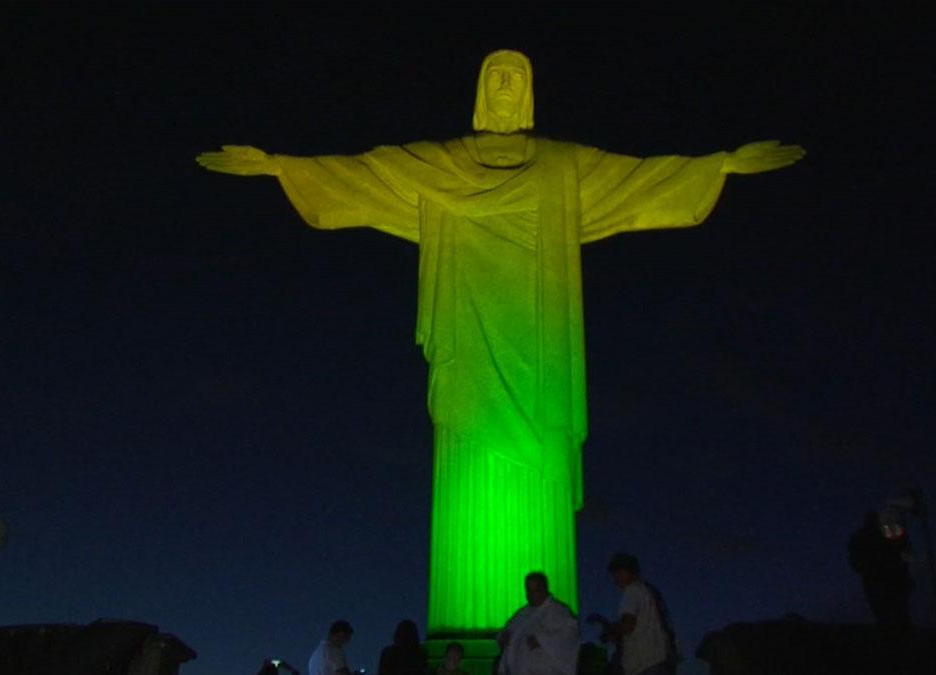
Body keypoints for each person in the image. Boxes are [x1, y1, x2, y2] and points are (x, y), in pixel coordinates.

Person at [197, 49, 804, 636]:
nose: (509, 89)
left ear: (531, 92)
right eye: (499, 79)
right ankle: (462, 633)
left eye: (519, 78)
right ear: (483, 93)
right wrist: (281, 166)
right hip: (467, 343)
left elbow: (640, 179)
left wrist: (719, 164)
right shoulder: (443, 164)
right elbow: (365, 172)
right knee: (469, 468)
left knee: (536, 468)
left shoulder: (564, 165)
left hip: (538, 353)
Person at [602, 553, 678, 675]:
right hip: (660, 661)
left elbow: (628, 625)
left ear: (624, 572)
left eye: (616, 574)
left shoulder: (631, 591)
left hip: (644, 665)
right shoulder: (648, 592)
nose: (615, 580)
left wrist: (610, 633)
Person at [497, 572, 580, 675]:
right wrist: (504, 637)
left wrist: (542, 640)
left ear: (544, 589)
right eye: (528, 590)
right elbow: (506, 631)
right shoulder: (522, 613)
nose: (530, 594)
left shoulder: (559, 612)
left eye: (534, 590)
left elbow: (569, 636)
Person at [848, 512, 914, 626]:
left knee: (895, 610)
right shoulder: (862, 536)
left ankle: (900, 635)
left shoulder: (886, 532)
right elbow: (855, 558)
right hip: (877, 578)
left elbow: (904, 549)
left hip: (891, 577)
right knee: (885, 610)